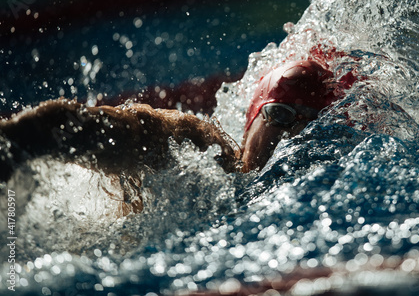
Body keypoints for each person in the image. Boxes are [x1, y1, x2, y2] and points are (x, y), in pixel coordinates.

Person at [0, 59, 360, 213]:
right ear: (252, 120)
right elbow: (100, 131)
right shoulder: (201, 150)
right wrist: (17, 139)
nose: (290, 136)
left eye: (308, 124)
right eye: (279, 116)